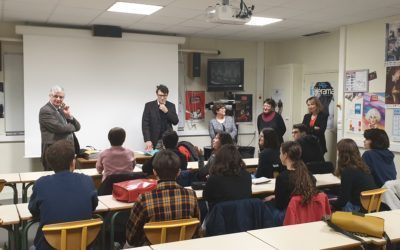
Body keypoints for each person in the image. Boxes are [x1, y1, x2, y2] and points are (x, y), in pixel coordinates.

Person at [29, 140, 98, 250]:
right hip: (83, 245)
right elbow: (93, 206)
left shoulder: (41, 184)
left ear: (51, 164)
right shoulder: (87, 180)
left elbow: (34, 210)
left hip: (49, 246)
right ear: (73, 162)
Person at [126, 149, 200, 247]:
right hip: (183, 246)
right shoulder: (191, 195)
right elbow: (197, 229)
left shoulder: (144, 199)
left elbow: (131, 237)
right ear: (178, 172)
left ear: (154, 172)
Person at [263, 141, 317, 226]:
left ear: (285, 155)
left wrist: (275, 198)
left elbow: (280, 205)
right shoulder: (308, 174)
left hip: (288, 215)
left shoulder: (282, 177)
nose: (279, 155)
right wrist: (275, 196)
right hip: (307, 212)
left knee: (263, 204)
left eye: (280, 153)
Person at [39, 85, 81, 170]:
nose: (58, 99)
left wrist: (69, 116)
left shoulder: (62, 110)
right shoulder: (45, 110)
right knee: (53, 181)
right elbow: (59, 128)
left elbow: (78, 127)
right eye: (55, 96)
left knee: (68, 180)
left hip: (66, 153)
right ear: (50, 96)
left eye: (61, 97)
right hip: (53, 154)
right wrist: (72, 127)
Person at [332, 139, 377, 212]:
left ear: (343, 154)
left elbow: (343, 200)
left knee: (330, 201)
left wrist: (331, 204)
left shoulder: (348, 171)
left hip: (357, 211)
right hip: (369, 208)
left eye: (338, 151)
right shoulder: (363, 166)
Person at [203, 144, 252, 209]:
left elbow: (206, 197)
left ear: (219, 159)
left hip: (220, 216)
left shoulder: (214, 178)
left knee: (202, 205)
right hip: (243, 216)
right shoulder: (247, 175)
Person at [142, 84, 179, 151]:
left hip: (169, 141)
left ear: (167, 95)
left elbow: (175, 121)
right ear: (157, 94)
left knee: (169, 160)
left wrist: (167, 111)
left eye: (164, 95)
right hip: (155, 140)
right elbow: (145, 124)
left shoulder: (171, 106)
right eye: (160, 95)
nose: (162, 98)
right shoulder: (149, 106)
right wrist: (147, 140)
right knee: (156, 160)